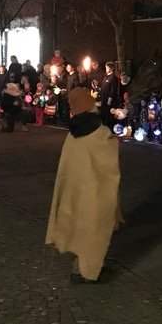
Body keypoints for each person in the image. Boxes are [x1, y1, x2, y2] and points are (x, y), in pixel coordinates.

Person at [45, 87, 122, 284]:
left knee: (79, 228)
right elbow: (108, 155)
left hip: (76, 191)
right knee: (94, 230)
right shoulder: (100, 132)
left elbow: (67, 167)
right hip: (95, 191)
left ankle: (80, 268)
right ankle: (89, 272)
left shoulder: (72, 133)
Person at [99, 61, 120, 128]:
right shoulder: (105, 76)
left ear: (111, 68)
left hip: (109, 101)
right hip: (103, 99)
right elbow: (103, 87)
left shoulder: (113, 77)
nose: (106, 69)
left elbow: (113, 89)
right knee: (104, 114)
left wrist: (110, 99)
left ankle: (111, 128)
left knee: (109, 115)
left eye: (107, 68)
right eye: (106, 67)